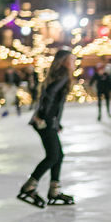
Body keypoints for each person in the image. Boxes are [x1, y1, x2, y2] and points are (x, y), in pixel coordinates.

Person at [17, 48, 76, 208]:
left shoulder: (57, 75)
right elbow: (50, 95)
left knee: (58, 155)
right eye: (71, 60)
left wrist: (56, 122)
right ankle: (29, 187)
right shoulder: (63, 74)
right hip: (44, 121)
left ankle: (54, 190)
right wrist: (45, 117)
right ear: (63, 62)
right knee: (53, 156)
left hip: (47, 120)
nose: (74, 63)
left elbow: (51, 98)